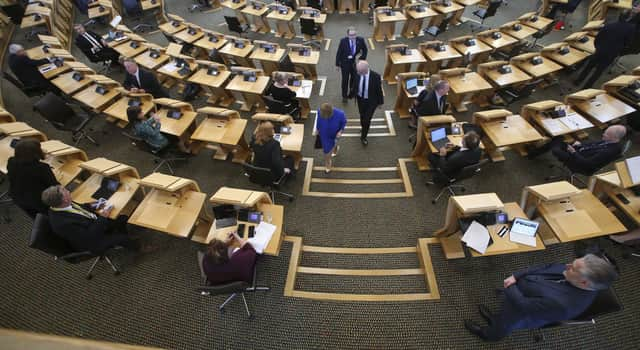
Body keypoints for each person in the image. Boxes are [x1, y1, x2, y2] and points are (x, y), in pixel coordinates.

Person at [465, 254, 618, 341]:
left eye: (573, 267)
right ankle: (494, 318)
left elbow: (523, 305)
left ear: (584, 282)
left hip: (521, 312)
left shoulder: (563, 304)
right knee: (502, 314)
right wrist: (516, 276)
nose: (567, 265)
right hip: (521, 294)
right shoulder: (574, 271)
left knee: (504, 324)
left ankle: (489, 335)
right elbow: (545, 267)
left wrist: (510, 285)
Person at [41, 185, 138, 254]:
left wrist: (95, 204)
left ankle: (125, 239)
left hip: (93, 223)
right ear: (64, 200)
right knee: (121, 238)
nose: (69, 191)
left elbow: (80, 208)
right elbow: (90, 235)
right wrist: (103, 216)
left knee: (122, 218)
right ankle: (138, 248)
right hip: (91, 241)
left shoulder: (61, 205)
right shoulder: (62, 224)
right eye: (66, 191)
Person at [573, 16, 635, 89]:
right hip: (612, 53)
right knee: (599, 71)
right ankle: (587, 87)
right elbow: (628, 42)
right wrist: (619, 51)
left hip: (601, 49)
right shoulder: (631, 29)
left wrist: (597, 47)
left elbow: (598, 37)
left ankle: (578, 81)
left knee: (589, 66)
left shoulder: (609, 24)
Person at [7, 139, 59, 218]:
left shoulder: (11, 161)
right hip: (38, 201)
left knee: (37, 218)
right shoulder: (41, 168)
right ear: (36, 153)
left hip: (17, 196)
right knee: (49, 217)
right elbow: (54, 186)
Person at [551, 125, 626, 174]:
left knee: (555, 149)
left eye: (606, 134)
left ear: (615, 137)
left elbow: (587, 163)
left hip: (580, 163)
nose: (603, 134)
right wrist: (580, 145)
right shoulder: (609, 140)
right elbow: (593, 144)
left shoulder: (608, 151)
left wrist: (573, 152)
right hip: (581, 152)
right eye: (605, 132)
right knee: (559, 138)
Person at [353, 61, 383, 146]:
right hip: (360, 99)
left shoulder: (376, 76)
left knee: (367, 119)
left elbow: (379, 90)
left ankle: (364, 136)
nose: (358, 73)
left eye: (360, 72)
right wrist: (352, 94)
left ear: (366, 70)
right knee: (362, 115)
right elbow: (355, 84)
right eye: (357, 71)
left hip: (371, 102)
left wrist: (380, 102)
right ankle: (363, 128)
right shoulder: (358, 72)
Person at [335, 27, 367, 103]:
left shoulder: (360, 40)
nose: (353, 37)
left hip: (355, 63)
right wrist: (337, 64)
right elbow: (339, 53)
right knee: (345, 80)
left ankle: (352, 92)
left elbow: (365, 50)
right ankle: (344, 96)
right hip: (345, 63)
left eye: (354, 34)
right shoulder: (343, 41)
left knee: (354, 78)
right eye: (351, 35)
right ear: (348, 35)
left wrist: (361, 59)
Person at [316, 103, 346, 173]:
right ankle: (328, 162)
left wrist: (340, 131)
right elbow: (318, 120)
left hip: (334, 134)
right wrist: (317, 129)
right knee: (326, 151)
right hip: (324, 134)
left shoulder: (340, 114)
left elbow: (344, 122)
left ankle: (334, 150)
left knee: (333, 143)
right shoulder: (319, 111)